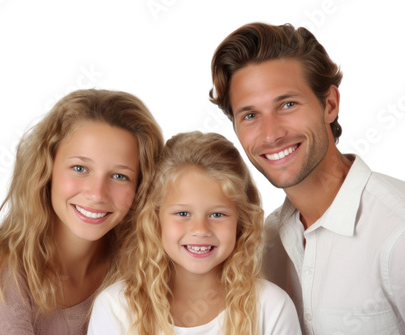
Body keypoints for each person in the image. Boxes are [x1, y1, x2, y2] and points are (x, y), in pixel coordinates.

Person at [209, 22, 405, 334]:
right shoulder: (264, 242)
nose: (271, 134)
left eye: (287, 104)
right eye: (250, 115)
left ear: (330, 104)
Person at [0, 89, 164, 334]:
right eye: (79, 168)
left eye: (120, 176)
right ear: (46, 169)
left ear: (142, 186)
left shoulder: (140, 267)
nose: (97, 194)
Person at [87, 131, 302, 334]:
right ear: (154, 219)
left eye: (217, 215)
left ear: (241, 222)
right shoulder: (116, 306)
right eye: (182, 213)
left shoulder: (271, 306)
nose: (200, 230)